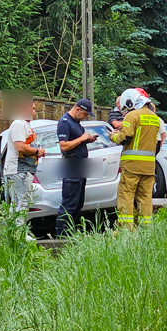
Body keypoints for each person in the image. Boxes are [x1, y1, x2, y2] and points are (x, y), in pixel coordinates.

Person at [110, 88, 161, 229]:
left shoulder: (132, 116)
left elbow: (125, 137)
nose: (125, 110)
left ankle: (126, 228)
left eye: (126, 107)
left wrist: (113, 136)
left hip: (132, 165)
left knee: (126, 195)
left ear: (130, 102)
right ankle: (146, 228)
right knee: (145, 197)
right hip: (149, 167)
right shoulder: (154, 117)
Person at [55, 99, 98, 237]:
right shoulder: (65, 122)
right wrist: (81, 139)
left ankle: (71, 233)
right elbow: (63, 146)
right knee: (69, 203)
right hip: (71, 165)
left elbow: (76, 141)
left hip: (81, 165)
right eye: (85, 114)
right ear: (78, 109)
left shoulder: (76, 123)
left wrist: (87, 139)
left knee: (78, 203)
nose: (85, 117)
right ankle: (61, 236)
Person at [4, 98, 45, 239]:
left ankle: (13, 233)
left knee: (17, 202)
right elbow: (20, 147)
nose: (33, 112)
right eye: (30, 109)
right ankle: (20, 234)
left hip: (23, 169)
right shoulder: (18, 125)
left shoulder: (25, 125)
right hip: (19, 170)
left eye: (34, 108)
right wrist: (37, 151)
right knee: (23, 201)